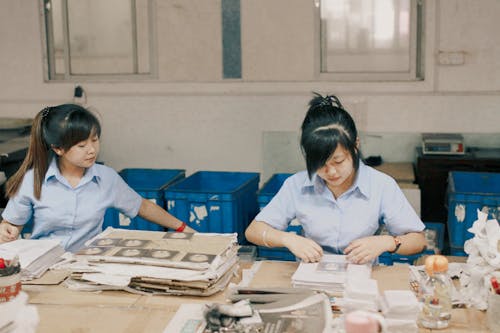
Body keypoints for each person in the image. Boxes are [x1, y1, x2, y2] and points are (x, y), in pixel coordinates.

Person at [245, 93, 426, 264]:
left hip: (360, 278)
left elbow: (418, 240)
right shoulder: (296, 185)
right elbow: (253, 231)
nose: (331, 172)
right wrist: (288, 239)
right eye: (320, 163)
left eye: (338, 161)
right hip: (311, 278)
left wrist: (388, 242)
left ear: (355, 146)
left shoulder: (381, 185)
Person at [0, 104, 195, 252]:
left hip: (87, 264)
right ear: (58, 148)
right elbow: (12, 224)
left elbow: (142, 206)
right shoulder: (33, 181)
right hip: (44, 266)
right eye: (81, 145)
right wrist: (6, 230)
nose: (92, 150)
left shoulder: (106, 178)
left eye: (95, 140)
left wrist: (183, 228)